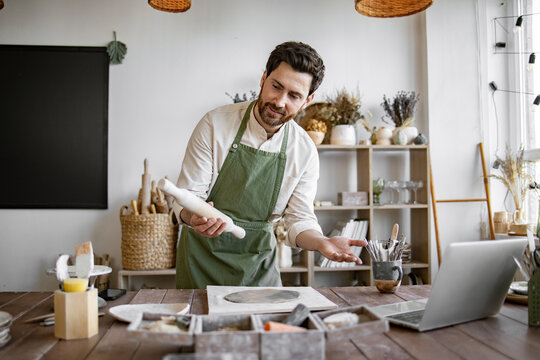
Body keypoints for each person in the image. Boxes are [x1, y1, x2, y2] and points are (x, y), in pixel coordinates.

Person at [173, 41, 367, 289]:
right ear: (264, 78)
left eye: (294, 95)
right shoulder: (215, 124)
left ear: (307, 100)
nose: (279, 102)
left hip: (258, 267)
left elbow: (300, 220)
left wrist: (322, 242)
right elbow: (187, 196)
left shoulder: (304, 150)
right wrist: (193, 217)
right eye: (276, 86)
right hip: (201, 262)